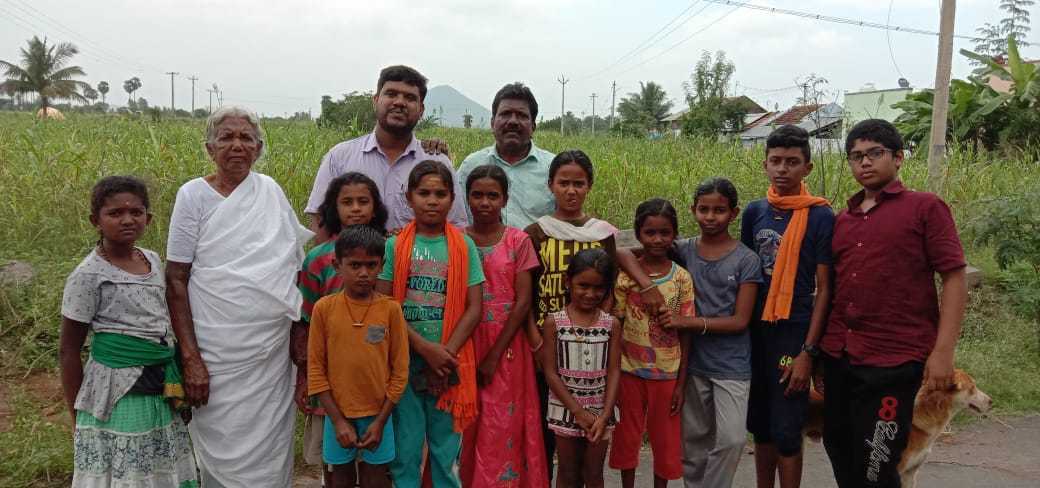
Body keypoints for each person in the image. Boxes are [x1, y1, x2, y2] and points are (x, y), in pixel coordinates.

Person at [166, 106, 313, 487]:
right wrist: (191, 357)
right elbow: (177, 279)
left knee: (268, 444)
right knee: (219, 441)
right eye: (226, 137)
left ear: (258, 147)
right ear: (209, 147)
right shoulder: (193, 196)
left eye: (245, 138)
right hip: (215, 350)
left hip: (268, 351)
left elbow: (292, 264)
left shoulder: (270, 192)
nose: (236, 145)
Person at [821, 119, 967, 488]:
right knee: (839, 445)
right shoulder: (843, 220)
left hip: (894, 360)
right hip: (840, 355)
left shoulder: (925, 208)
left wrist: (943, 352)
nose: (864, 163)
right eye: (855, 156)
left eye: (875, 153)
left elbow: (953, 276)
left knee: (877, 461)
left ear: (898, 158)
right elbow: (830, 289)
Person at [524, 149, 663, 479]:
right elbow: (527, 294)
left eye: (579, 183)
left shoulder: (602, 233)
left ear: (589, 186)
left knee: (591, 456)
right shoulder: (537, 232)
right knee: (550, 435)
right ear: (551, 185)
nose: (571, 191)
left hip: (593, 347)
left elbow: (610, 285)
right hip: (548, 341)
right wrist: (535, 343)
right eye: (563, 183)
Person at [60, 176, 198, 488]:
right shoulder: (88, 275)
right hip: (117, 391)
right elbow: (69, 350)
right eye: (115, 213)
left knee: (159, 466)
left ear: (148, 218)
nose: (127, 220)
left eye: (136, 212)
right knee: (129, 473)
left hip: (158, 384)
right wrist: (77, 416)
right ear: (96, 220)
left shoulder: (150, 259)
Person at [375, 160, 485, 488]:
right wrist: (424, 348)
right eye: (424, 193)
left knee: (445, 450)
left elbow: (474, 307)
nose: (432, 200)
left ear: (453, 199)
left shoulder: (463, 246)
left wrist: (445, 355)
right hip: (405, 363)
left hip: (450, 367)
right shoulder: (395, 246)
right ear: (409, 197)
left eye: (440, 193)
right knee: (405, 449)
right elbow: (384, 307)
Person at [741, 125, 834, 488]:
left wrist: (809, 352)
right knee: (761, 426)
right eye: (776, 161)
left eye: (792, 162)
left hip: (794, 332)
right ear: (765, 164)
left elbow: (825, 289)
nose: (783, 169)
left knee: (787, 427)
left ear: (807, 168)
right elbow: (748, 274)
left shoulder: (820, 216)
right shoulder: (754, 213)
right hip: (758, 331)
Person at [667, 178, 763, 488]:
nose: (710, 217)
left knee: (733, 439)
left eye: (719, 210)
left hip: (732, 364)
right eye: (704, 209)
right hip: (693, 362)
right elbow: (633, 251)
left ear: (733, 213)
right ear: (693, 210)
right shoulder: (683, 249)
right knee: (693, 442)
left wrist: (691, 323)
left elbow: (740, 320)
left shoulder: (746, 259)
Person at [459, 165, 550, 487]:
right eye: (477, 195)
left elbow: (523, 300)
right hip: (464, 342)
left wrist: (495, 355)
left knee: (503, 424)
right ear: (467, 198)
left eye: (492, 195)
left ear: (505, 199)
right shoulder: (456, 239)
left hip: (507, 346)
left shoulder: (518, 241)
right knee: (467, 423)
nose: (485, 202)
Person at [296, 172, 389, 475]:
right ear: (333, 209)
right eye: (346, 202)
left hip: (376, 380)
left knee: (378, 467)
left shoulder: (391, 251)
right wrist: (304, 377)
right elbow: (304, 323)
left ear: (375, 208)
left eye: (364, 201)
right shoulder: (319, 260)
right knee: (336, 466)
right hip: (330, 386)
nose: (356, 208)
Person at [305, 65, 468, 235]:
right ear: (375, 101)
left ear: (421, 110)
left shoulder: (437, 161)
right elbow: (320, 222)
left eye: (410, 97)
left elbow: (456, 226)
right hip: (354, 261)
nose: (399, 102)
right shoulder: (339, 158)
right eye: (391, 94)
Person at [308, 225, 409, 488]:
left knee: (375, 478)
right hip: (337, 414)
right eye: (354, 265)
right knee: (339, 478)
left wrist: (380, 421)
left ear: (382, 265)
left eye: (371, 265)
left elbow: (400, 371)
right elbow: (316, 370)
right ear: (337, 264)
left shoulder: (390, 310)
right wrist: (338, 420)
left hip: (379, 415)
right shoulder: (324, 309)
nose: (363, 273)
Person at [610, 198, 694, 488]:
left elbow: (686, 332)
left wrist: (682, 383)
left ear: (674, 234)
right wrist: (614, 373)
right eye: (650, 233)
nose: (657, 239)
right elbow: (616, 325)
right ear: (638, 233)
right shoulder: (627, 277)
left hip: (667, 374)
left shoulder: (681, 278)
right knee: (626, 437)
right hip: (629, 371)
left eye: (665, 232)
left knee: (665, 440)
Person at [541, 248, 622, 488]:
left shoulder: (611, 324)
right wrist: (577, 411)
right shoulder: (554, 322)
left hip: (600, 410)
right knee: (567, 473)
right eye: (583, 285)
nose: (590, 294)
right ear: (568, 282)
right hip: (565, 410)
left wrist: (605, 415)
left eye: (598, 288)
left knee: (594, 474)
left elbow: (614, 370)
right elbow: (550, 372)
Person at [457, 82, 556, 228]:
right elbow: (457, 218)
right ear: (492, 123)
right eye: (505, 114)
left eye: (522, 116)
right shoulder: (471, 165)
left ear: (533, 126)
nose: (513, 121)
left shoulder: (553, 168)